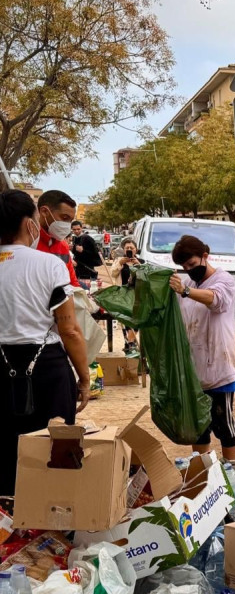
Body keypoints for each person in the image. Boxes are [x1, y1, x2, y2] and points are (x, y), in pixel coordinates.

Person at [0, 189, 90, 495]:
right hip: (47, 368)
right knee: (54, 450)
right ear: (30, 223)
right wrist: (85, 377)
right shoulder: (48, 265)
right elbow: (69, 330)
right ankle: (52, 520)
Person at [169, 235, 235, 473]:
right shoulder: (188, 283)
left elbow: (216, 300)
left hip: (219, 368)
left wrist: (186, 291)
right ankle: (203, 472)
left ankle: (232, 470)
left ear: (204, 256)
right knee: (198, 425)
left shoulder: (224, 280)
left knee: (225, 424)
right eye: (185, 267)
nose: (189, 270)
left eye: (192, 264)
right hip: (194, 371)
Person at [36, 190, 80, 288]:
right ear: (44, 212)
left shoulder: (63, 246)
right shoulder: (28, 242)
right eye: (64, 218)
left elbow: (73, 283)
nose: (67, 225)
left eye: (70, 220)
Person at [110, 237, 142, 355]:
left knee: (135, 321)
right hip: (123, 295)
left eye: (131, 248)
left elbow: (145, 276)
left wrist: (138, 265)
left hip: (136, 296)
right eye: (127, 248)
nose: (129, 250)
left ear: (136, 249)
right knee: (125, 320)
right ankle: (130, 344)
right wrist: (120, 263)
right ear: (123, 249)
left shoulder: (140, 261)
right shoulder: (119, 261)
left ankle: (130, 344)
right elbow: (113, 273)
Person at [71, 221, 101, 290]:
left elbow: (96, 254)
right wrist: (73, 249)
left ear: (81, 228)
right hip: (78, 271)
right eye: (74, 230)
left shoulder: (88, 239)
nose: (76, 231)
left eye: (78, 229)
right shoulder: (74, 238)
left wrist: (83, 251)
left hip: (88, 272)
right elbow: (77, 254)